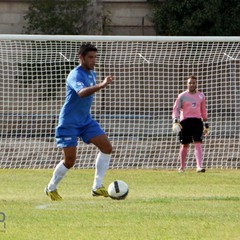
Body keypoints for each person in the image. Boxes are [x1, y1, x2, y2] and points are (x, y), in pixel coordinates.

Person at [45, 43, 113, 201]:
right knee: (70, 161)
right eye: (90, 57)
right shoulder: (75, 74)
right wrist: (101, 85)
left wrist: (99, 84)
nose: (93, 60)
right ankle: (51, 188)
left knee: (107, 147)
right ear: (81, 57)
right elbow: (81, 93)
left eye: (95, 57)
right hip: (69, 122)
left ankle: (97, 186)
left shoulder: (92, 73)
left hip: (85, 120)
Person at [172, 75, 209, 173]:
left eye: (194, 83)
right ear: (187, 84)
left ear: (196, 84)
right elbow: (176, 109)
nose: (192, 84)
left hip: (197, 122)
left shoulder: (201, 96)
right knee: (184, 144)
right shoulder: (182, 96)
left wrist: (206, 122)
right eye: (190, 83)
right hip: (185, 122)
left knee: (198, 143)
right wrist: (175, 119)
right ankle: (182, 167)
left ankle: (199, 166)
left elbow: (203, 110)